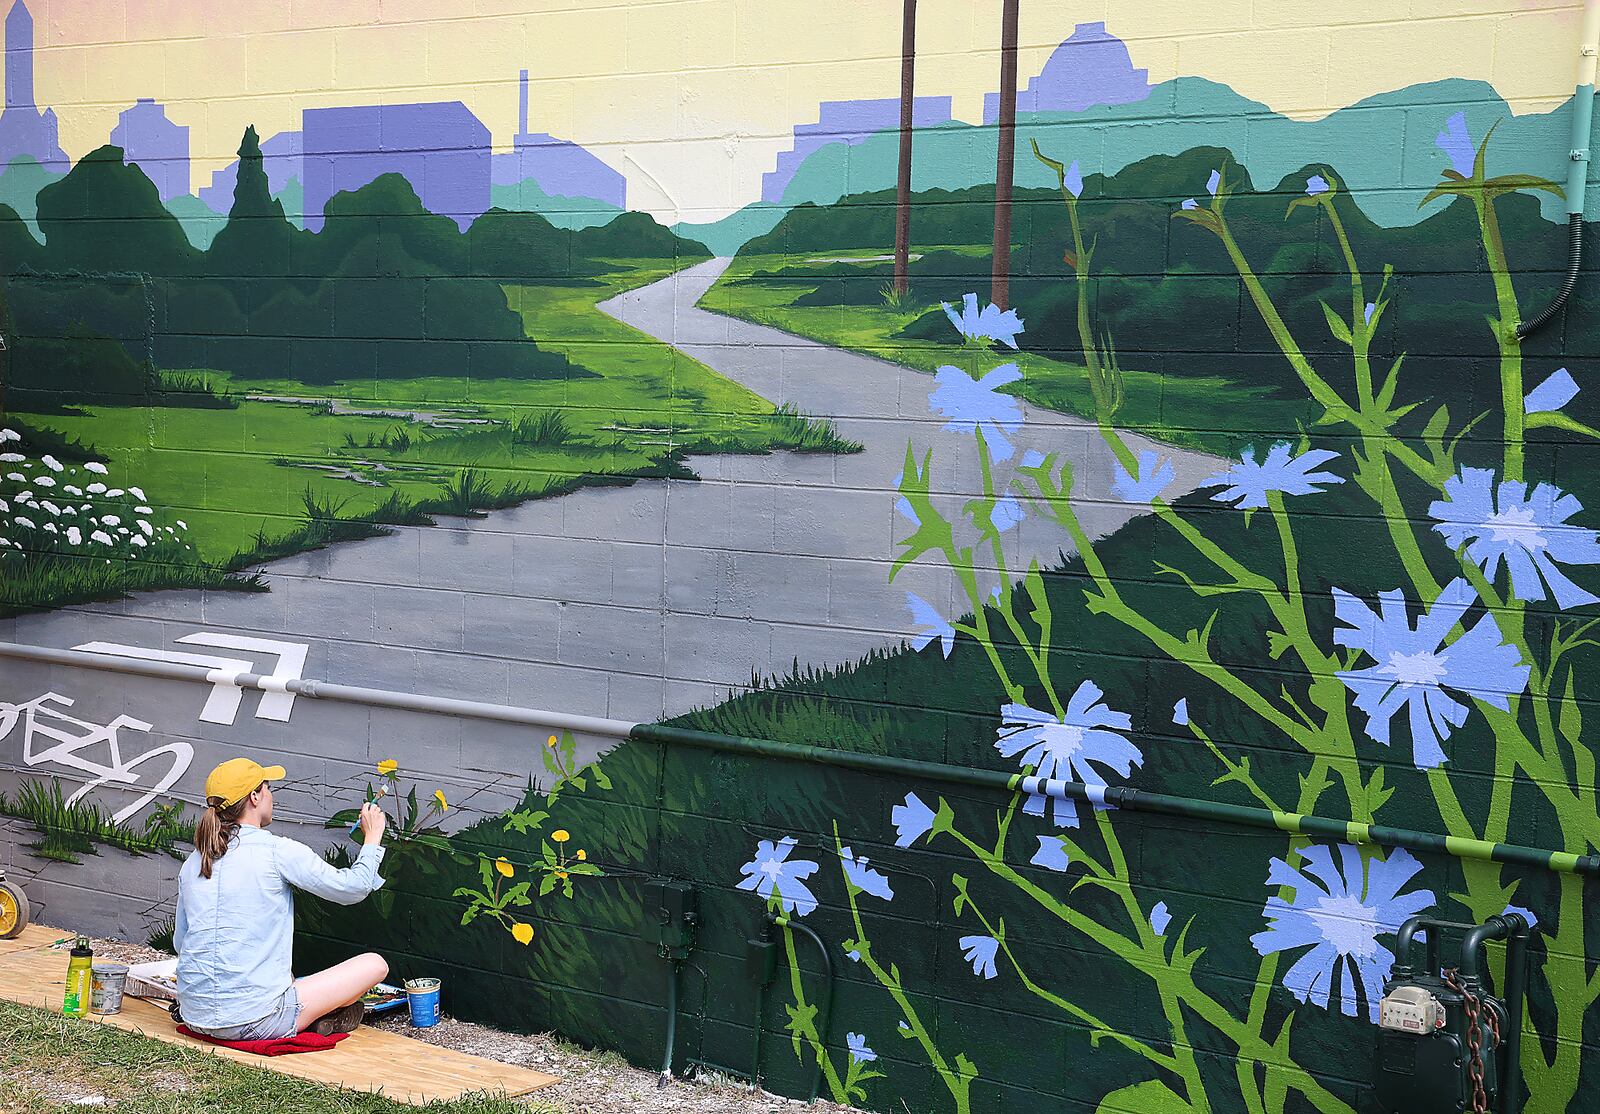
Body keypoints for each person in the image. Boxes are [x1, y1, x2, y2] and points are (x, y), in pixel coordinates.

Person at [173, 757, 390, 1040]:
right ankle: (318, 1017)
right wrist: (373, 837)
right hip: (255, 1021)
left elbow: (181, 942)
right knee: (375, 965)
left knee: (286, 979)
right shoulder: (276, 851)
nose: (271, 796)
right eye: (268, 788)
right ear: (254, 797)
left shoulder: (194, 861)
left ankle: (322, 1017)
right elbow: (353, 888)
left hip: (194, 1015)